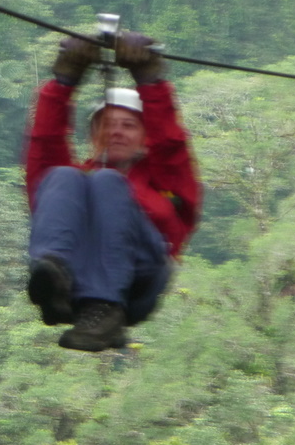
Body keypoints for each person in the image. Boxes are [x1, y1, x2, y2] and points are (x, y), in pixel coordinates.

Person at [24, 32, 202, 351]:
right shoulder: (80, 182)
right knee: (62, 175)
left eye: (128, 125)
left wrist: (149, 80)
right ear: (94, 135)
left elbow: (170, 145)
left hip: (139, 279)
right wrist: (65, 81)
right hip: (77, 281)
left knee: (107, 182)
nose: (116, 131)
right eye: (106, 124)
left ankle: (106, 308)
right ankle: (54, 279)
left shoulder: (164, 181)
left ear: (146, 137)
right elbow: (44, 147)